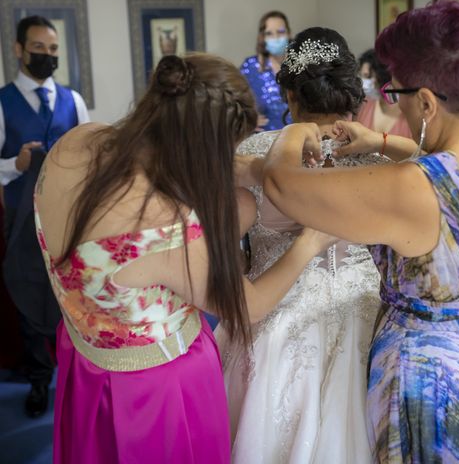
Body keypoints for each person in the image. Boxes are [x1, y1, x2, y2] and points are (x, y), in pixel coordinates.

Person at [262, 1, 459, 463]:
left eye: (394, 92)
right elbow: (458, 163)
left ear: (426, 102)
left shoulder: (416, 191)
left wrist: (289, 134)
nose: (390, 100)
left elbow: (283, 185)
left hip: (443, 395)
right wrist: (380, 141)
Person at [34, 53, 334, 464]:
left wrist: (256, 168)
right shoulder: (165, 229)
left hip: (84, 363)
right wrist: (310, 243)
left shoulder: (79, 140)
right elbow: (248, 306)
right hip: (154, 391)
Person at [217, 27, 384, 464]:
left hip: (274, 311)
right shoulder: (376, 159)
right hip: (363, 305)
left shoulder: (255, 154)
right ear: (353, 95)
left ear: (289, 95)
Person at [0, 15, 89, 418]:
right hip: (21, 220)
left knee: (73, 292)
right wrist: (14, 165)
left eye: (53, 50)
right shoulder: (2, 102)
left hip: (70, 217)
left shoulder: (74, 101)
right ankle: (39, 379)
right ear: (19, 50)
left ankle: (78, 372)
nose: (46, 56)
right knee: (30, 291)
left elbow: (91, 157)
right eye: (38, 48)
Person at [240, 10, 292, 131]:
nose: (276, 38)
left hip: (299, 139)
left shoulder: (303, 65)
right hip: (264, 141)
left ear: (289, 34)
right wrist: (247, 119)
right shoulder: (250, 66)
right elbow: (231, 101)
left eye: (281, 32)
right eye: (269, 33)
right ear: (263, 38)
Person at [356, 49, 412, 138]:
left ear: (383, 75)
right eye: (361, 76)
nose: (363, 83)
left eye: (368, 76)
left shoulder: (410, 113)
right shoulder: (362, 105)